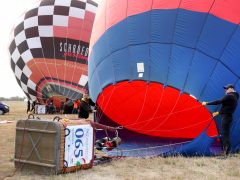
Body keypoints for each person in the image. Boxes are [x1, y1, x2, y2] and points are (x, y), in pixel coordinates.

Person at [202, 84, 239, 156]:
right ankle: (226, 151)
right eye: (225, 89)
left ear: (231, 89)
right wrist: (219, 112)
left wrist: (207, 103)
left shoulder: (230, 96)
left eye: (227, 88)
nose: (225, 90)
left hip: (226, 117)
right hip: (227, 116)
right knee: (226, 134)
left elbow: (218, 101)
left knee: (225, 135)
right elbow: (228, 107)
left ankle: (225, 152)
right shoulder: (235, 96)